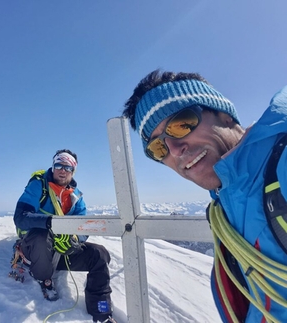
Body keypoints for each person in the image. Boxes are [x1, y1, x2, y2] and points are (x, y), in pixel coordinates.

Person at [122, 69, 287, 323]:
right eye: (158, 147)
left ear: (223, 114)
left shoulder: (281, 166)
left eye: (180, 125)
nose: (174, 151)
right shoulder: (226, 203)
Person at [13, 149, 117, 323]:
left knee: (99, 254)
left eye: (67, 167)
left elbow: (83, 227)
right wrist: (51, 223)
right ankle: (43, 278)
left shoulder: (76, 197)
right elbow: (21, 218)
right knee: (41, 235)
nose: (62, 170)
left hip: (60, 250)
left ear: (72, 170)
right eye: (58, 165)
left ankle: (101, 311)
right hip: (33, 247)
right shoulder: (38, 185)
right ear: (53, 167)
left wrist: (75, 240)